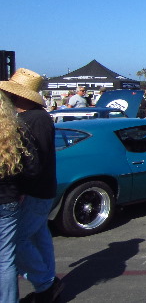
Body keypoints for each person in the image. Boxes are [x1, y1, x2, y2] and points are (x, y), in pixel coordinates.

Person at [0, 69, 63, 302]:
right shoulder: (40, 118)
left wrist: (23, 188)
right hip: (43, 188)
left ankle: (46, 282)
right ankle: (47, 283)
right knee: (39, 235)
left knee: (18, 241)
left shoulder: (31, 120)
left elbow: (33, 163)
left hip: (35, 191)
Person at [0, 92, 28, 302]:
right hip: (8, 197)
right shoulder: (13, 131)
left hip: (9, 197)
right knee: (6, 259)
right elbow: (25, 167)